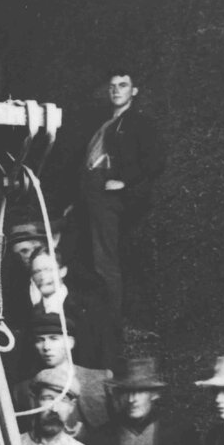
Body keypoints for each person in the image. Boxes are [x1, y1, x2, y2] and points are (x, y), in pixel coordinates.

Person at [71, 69, 165, 342]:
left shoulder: (137, 123)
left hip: (112, 197)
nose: (116, 90)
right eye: (112, 86)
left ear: (133, 91)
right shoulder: (105, 122)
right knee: (84, 255)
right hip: (90, 194)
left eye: (123, 85)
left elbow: (156, 161)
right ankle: (91, 320)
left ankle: (112, 324)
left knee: (106, 260)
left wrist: (125, 183)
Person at [12, 312, 113, 440]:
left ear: (70, 342)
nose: (46, 347)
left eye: (54, 338)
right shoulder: (22, 391)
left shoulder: (100, 380)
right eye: (40, 340)